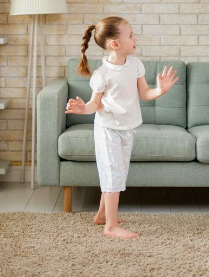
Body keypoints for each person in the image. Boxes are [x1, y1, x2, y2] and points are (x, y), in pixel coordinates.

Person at [65, 16, 178, 239]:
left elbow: (145, 94)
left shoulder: (135, 65)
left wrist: (161, 90)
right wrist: (82, 109)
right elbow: (94, 104)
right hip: (107, 130)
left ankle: (101, 216)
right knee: (113, 175)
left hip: (128, 128)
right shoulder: (102, 75)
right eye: (130, 35)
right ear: (115, 44)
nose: (135, 39)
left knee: (117, 173)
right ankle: (111, 226)